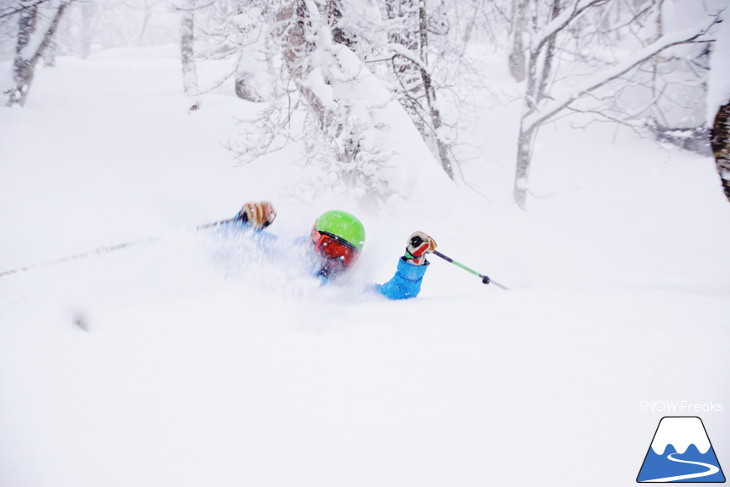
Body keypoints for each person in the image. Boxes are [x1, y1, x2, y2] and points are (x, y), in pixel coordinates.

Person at [233, 201, 437, 299]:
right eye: (329, 247)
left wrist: (413, 260)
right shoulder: (282, 254)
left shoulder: (345, 290)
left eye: (347, 255)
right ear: (313, 238)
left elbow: (398, 294)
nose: (336, 258)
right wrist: (244, 223)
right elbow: (233, 245)